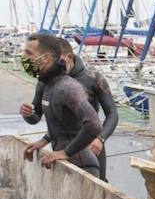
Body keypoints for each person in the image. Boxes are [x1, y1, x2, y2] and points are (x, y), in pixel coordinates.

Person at [20, 38, 118, 180]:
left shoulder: (91, 79)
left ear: (68, 58)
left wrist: (100, 138)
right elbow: (54, 120)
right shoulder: (46, 83)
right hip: (64, 149)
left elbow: (111, 114)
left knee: (100, 188)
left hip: (89, 146)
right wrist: (30, 116)